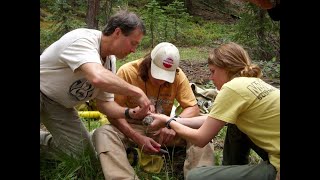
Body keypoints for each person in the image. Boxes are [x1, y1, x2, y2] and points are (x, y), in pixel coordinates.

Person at [148, 42, 280, 180]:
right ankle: (230, 168)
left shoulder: (232, 88)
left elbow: (200, 139)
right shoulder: (252, 82)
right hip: (274, 150)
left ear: (227, 68)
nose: (211, 78)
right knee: (234, 123)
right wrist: (175, 120)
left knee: (196, 177)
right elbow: (212, 119)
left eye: (213, 71)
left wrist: (168, 122)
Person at [92, 42, 215, 179]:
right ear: (148, 63)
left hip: (165, 129)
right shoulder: (128, 72)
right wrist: (136, 137)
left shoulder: (179, 76)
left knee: (203, 132)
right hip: (133, 128)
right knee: (103, 133)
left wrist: (172, 124)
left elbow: (192, 108)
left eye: (166, 76)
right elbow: (113, 114)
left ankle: (200, 176)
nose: (161, 81)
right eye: (157, 74)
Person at [40, 10, 152, 159]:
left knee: (83, 155)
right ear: (117, 32)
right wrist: (136, 92)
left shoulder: (109, 62)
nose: (133, 50)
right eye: (133, 43)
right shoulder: (82, 40)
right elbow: (97, 77)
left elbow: (105, 105)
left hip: (59, 105)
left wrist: (130, 113)